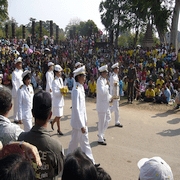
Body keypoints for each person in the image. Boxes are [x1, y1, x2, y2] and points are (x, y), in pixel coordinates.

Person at [18, 90, 64, 180]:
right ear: (50, 115)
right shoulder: (56, 146)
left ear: (32, 113)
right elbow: (59, 171)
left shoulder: (21, 139)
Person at [67, 66, 97, 165]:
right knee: (74, 144)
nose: (85, 78)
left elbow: (82, 108)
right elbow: (76, 109)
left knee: (84, 143)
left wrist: (85, 120)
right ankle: (67, 160)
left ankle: (91, 162)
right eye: (83, 76)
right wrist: (81, 125)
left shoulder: (80, 88)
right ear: (79, 77)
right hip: (77, 123)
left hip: (81, 122)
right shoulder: (76, 90)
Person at [96, 65, 112, 145]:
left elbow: (106, 93)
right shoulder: (100, 81)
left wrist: (110, 97)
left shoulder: (104, 80)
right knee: (102, 122)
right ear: (102, 73)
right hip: (102, 105)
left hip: (106, 104)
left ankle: (101, 134)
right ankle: (100, 138)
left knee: (108, 118)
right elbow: (102, 92)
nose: (107, 73)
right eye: (105, 72)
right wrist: (107, 85)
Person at [50, 64, 64, 135]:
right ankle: (59, 129)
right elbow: (55, 92)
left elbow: (61, 87)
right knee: (58, 115)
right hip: (57, 100)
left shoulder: (60, 79)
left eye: (60, 72)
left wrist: (64, 90)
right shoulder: (54, 81)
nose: (60, 73)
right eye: (59, 72)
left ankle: (53, 123)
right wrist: (61, 92)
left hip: (60, 100)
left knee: (60, 115)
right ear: (56, 73)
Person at [109, 63, 123, 127]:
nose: (118, 69)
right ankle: (116, 121)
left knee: (116, 107)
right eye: (117, 68)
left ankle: (108, 114)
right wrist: (112, 96)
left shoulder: (116, 76)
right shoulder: (112, 76)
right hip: (114, 94)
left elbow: (117, 86)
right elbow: (112, 87)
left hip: (116, 94)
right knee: (116, 108)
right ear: (114, 69)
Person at [12, 57, 23, 124]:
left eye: (21, 64)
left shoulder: (21, 72)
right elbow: (14, 83)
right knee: (16, 105)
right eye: (19, 64)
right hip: (16, 92)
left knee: (20, 105)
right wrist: (17, 92)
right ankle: (15, 118)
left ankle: (20, 117)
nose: (20, 65)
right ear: (16, 65)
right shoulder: (14, 73)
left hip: (21, 90)